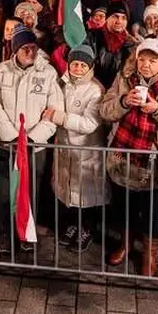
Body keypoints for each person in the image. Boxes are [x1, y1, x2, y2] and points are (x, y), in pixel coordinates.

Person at [101, 38, 158, 277]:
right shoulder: (124, 79)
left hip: (155, 161)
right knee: (125, 206)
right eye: (142, 59)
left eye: (152, 60)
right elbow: (104, 109)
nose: (146, 65)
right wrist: (123, 102)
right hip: (123, 155)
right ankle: (126, 244)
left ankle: (150, 254)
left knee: (152, 210)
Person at [0, 24, 63, 252]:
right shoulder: (1, 70)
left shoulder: (48, 73)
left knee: (30, 192)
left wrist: (32, 139)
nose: (29, 52)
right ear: (15, 49)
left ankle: (26, 235)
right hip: (7, 145)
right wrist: (11, 136)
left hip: (33, 148)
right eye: (24, 48)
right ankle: (7, 234)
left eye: (33, 47)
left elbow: (53, 109)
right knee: (4, 194)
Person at [45, 45, 106, 252]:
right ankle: (72, 225)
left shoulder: (95, 89)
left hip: (86, 151)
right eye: (74, 64)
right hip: (64, 149)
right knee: (68, 192)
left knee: (86, 195)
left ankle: (87, 229)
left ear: (90, 67)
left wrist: (60, 118)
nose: (78, 68)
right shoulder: (62, 84)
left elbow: (90, 123)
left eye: (82, 65)